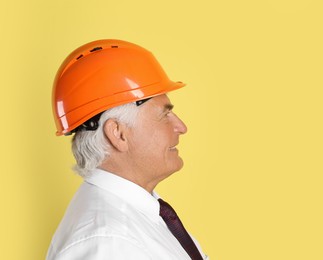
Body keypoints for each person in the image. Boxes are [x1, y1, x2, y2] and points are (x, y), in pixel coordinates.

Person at [46, 39, 208, 260]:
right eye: (164, 114)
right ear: (119, 133)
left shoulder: (137, 220)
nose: (181, 127)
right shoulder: (107, 243)